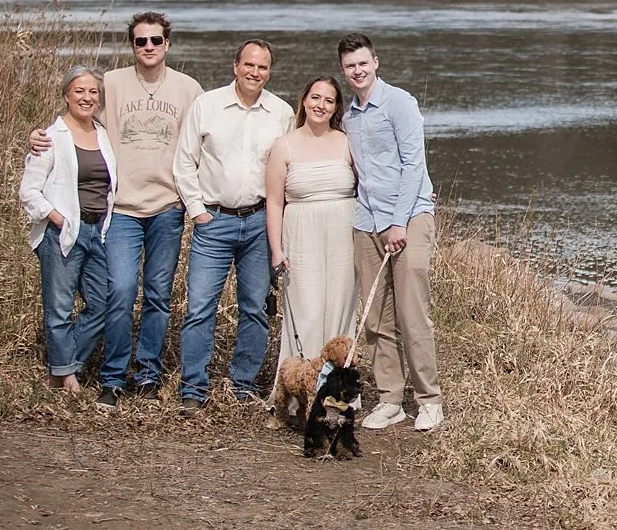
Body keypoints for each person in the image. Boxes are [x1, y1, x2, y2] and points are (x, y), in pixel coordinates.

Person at [34, 10, 201, 408]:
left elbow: (203, 143)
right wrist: (40, 135)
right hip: (121, 210)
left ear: (167, 45)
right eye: (140, 41)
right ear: (132, 45)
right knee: (121, 292)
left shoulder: (189, 89)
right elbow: (77, 112)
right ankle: (113, 377)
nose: (148, 47)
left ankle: (147, 374)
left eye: (155, 41)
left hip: (166, 208)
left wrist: (194, 200)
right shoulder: (110, 84)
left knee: (159, 295)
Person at [172, 38, 292, 411]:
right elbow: (183, 162)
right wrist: (198, 211)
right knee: (200, 307)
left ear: (269, 71)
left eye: (263, 67)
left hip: (258, 222)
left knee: (255, 308)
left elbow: (291, 168)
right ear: (235, 66)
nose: (255, 73)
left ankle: (243, 385)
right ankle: (193, 388)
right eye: (249, 65)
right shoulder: (207, 106)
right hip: (215, 221)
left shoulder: (281, 113)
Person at [338, 32, 441, 431]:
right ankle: (390, 399)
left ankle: (429, 400)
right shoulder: (349, 115)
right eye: (350, 66)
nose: (357, 71)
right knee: (376, 319)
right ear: (343, 70)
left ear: (375, 62)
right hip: (367, 221)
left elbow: (414, 166)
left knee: (413, 313)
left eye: (363, 63)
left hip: (409, 217)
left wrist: (399, 222)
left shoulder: (400, 103)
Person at [19, 65, 117, 394]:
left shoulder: (103, 135)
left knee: (102, 304)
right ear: (66, 96)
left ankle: (61, 369)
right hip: (62, 234)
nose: (87, 97)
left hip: (97, 232)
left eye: (92, 92)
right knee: (59, 308)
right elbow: (29, 191)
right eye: (79, 91)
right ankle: (69, 379)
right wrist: (58, 218)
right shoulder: (51, 137)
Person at [265, 74, 358, 380]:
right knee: (306, 310)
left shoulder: (347, 142)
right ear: (304, 100)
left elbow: (372, 185)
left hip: (343, 236)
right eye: (316, 98)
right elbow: (275, 203)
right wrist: (277, 250)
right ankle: (296, 389)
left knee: (339, 311)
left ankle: (336, 390)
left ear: (336, 108)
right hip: (301, 236)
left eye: (329, 100)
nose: (321, 105)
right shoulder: (284, 146)